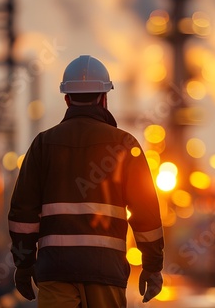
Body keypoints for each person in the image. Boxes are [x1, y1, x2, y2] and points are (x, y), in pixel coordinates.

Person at [8, 55, 164, 307]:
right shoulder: (125, 146)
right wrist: (152, 267)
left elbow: (22, 216)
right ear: (104, 98)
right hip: (106, 273)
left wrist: (23, 266)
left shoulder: (43, 145)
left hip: (56, 272)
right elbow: (146, 215)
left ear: (67, 98)